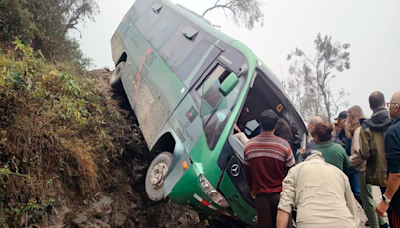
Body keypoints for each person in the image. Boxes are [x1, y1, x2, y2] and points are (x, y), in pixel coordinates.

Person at [276, 150, 360, 228]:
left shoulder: (295, 170)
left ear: (305, 160)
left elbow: (284, 206)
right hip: (343, 222)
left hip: (309, 223)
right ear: (323, 160)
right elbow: (351, 206)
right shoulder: (339, 173)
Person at [243, 110, 295, 228]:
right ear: (276, 126)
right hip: (280, 196)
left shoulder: (249, 146)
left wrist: (252, 189)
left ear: (260, 124)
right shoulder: (284, 145)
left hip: (261, 197)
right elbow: (292, 171)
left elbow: (247, 171)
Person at [346, 105, 389, 228]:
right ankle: (382, 223)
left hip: (363, 169)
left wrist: (348, 162)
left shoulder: (358, 131)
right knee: (370, 198)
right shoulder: (364, 128)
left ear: (353, 116)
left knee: (367, 201)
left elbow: (360, 154)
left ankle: (376, 225)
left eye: (348, 115)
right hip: (367, 167)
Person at [376, 91, 400, 227]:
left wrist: (386, 200)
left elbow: (396, 173)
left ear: (396, 107)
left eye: (390, 104)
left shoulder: (394, 131)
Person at [360, 92, 392, 188]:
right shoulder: (395, 120)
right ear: (384, 103)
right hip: (396, 169)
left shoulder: (366, 126)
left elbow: (365, 153)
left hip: (380, 173)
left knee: (386, 200)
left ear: (370, 107)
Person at [337, 111, 364, 206]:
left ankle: (376, 217)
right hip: (345, 165)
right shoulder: (341, 133)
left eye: (339, 120)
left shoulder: (352, 132)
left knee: (358, 193)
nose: (337, 123)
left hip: (352, 165)